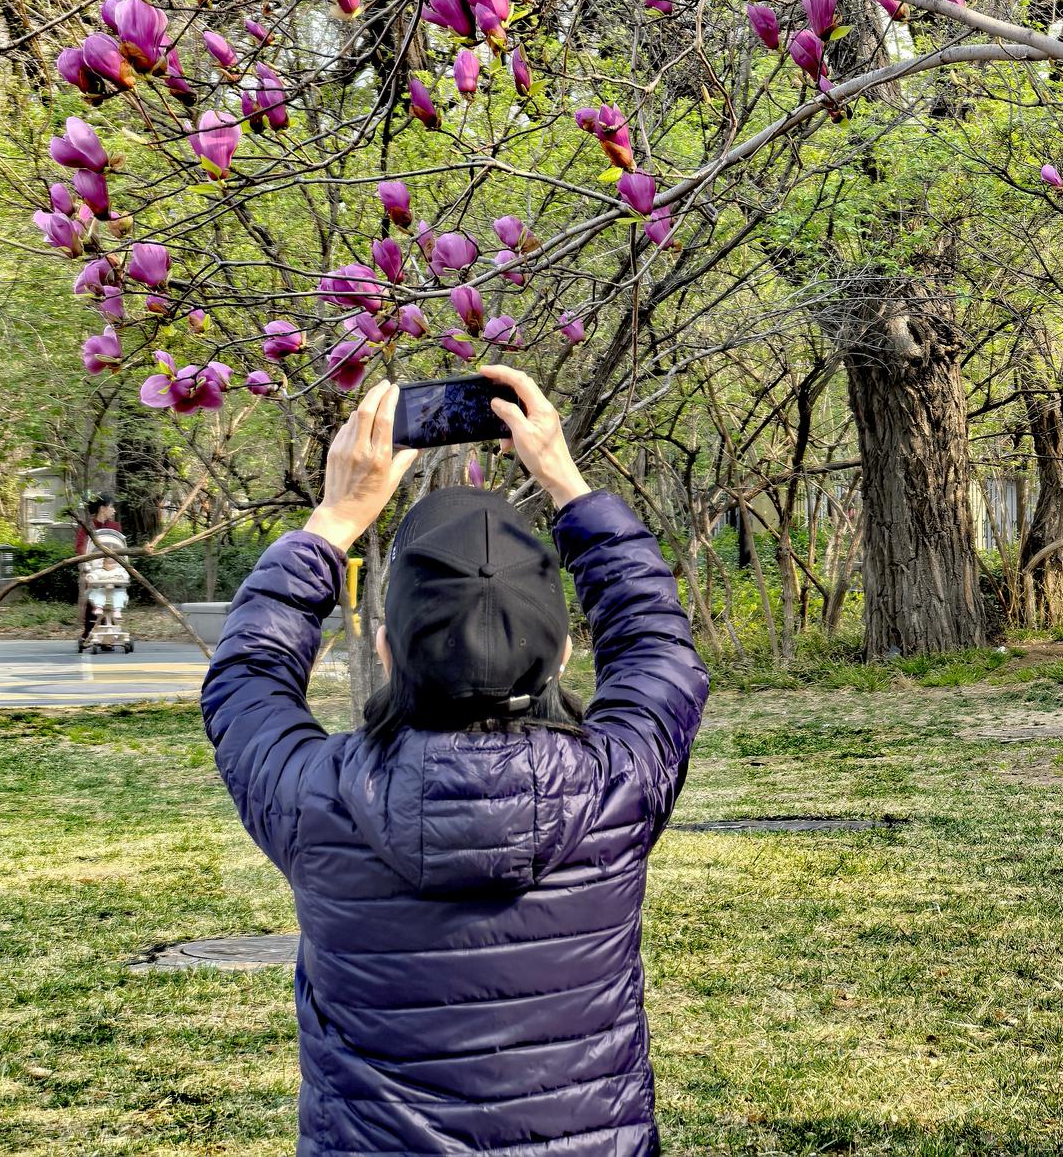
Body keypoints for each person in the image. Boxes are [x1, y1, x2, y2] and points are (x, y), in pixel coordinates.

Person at [202, 366, 709, 1157]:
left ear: (383, 650)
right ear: (566, 652)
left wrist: (335, 519)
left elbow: (243, 677)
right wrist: (568, 484)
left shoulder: (316, 800)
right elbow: (658, 647)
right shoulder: (618, 790)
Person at [75, 496, 118, 645]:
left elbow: (120, 547)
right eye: (111, 507)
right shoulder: (87, 527)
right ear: (102, 508)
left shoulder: (114, 527)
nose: (114, 510)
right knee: (93, 599)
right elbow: (80, 547)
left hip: (112, 567)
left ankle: (108, 635)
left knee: (112, 598)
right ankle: (89, 632)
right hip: (93, 568)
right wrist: (88, 562)